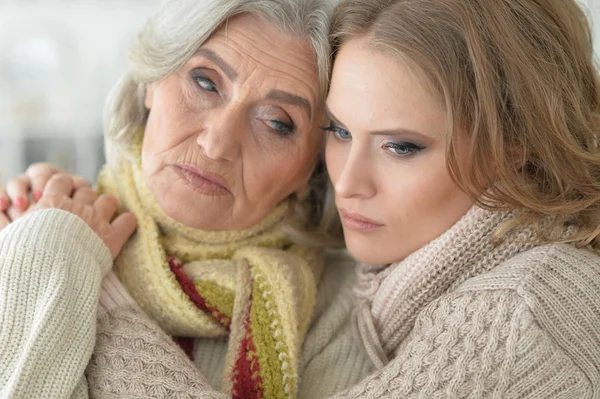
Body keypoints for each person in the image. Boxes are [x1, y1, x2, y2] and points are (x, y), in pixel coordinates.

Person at [4, 0, 600, 397]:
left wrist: (79, 271)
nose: (348, 182)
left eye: (278, 121)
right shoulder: (396, 294)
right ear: (148, 84)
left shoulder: (522, 304)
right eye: (340, 132)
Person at [0, 1, 375, 398]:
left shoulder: (345, 310)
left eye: (277, 122)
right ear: (150, 82)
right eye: (205, 82)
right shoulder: (23, 224)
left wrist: (55, 258)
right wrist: (41, 243)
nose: (216, 144)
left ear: (314, 170)